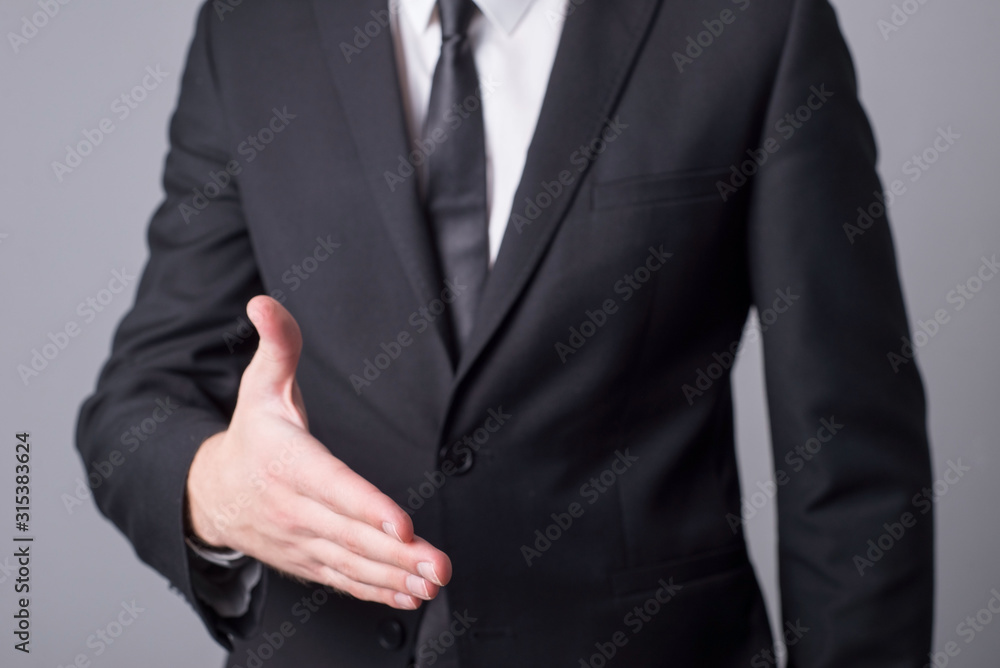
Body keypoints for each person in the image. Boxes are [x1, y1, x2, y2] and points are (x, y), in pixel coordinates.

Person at [76, 0, 934, 665]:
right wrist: (218, 492)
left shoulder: (755, 23)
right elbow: (140, 398)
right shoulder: (253, 27)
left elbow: (852, 454)